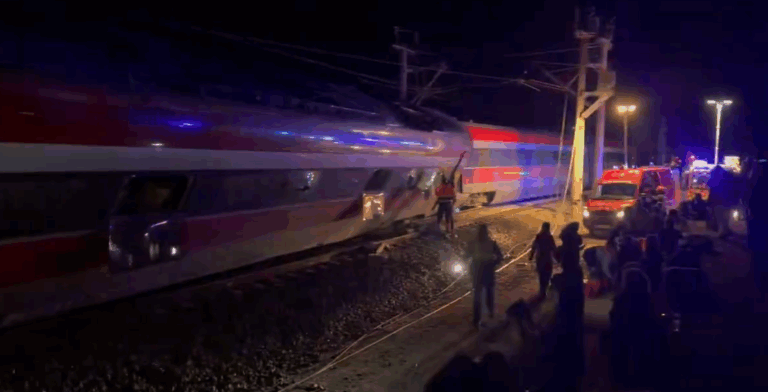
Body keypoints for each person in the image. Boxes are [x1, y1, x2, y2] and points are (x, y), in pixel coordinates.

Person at [469, 224, 503, 328]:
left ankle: (478, 318)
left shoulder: (475, 243)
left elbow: (466, 255)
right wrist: (494, 263)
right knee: (487, 293)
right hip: (486, 270)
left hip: (479, 270)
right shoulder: (490, 243)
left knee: (479, 295)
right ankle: (489, 313)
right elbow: (500, 256)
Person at [434, 151, 466, 235]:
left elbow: (454, 169)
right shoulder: (445, 183)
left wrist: (461, 158)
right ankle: (447, 231)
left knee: (447, 218)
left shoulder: (449, 182)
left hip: (446, 203)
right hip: (444, 203)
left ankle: (450, 231)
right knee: (444, 217)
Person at [529, 222, 556, 298]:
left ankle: (542, 290)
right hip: (547, 259)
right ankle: (544, 290)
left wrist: (531, 256)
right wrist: (557, 257)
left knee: (541, 274)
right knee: (547, 274)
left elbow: (534, 246)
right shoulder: (550, 237)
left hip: (540, 258)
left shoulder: (538, 236)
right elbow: (553, 248)